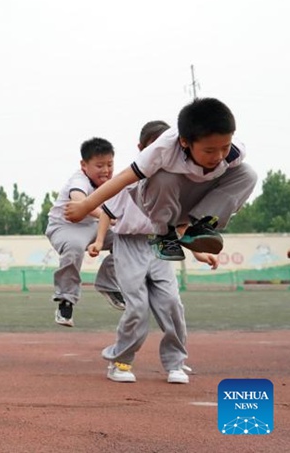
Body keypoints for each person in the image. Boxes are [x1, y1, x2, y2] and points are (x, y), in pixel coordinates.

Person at [88, 121, 218, 384]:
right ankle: (121, 362)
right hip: (129, 245)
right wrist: (99, 240)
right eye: (154, 148)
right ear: (141, 149)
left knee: (171, 303)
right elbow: (107, 212)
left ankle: (175, 363)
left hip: (161, 244)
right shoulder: (129, 180)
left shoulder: (176, 184)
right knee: (137, 307)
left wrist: (198, 253)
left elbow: (180, 226)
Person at [65, 98, 257, 261]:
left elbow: (235, 184)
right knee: (164, 177)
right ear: (184, 141)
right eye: (209, 150)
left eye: (224, 147)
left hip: (193, 201)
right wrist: (86, 206)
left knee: (247, 173)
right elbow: (123, 178)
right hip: (157, 201)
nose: (218, 156)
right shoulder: (163, 149)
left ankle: (202, 224)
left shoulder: (233, 153)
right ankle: (164, 235)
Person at [45, 138, 124, 327]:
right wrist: (111, 217)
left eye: (109, 165)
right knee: (74, 247)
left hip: (94, 225)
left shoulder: (112, 182)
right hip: (65, 226)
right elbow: (80, 202)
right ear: (84, 165)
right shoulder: (79, 180)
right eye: (99, 165)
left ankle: (108, 283)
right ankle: (66, 300)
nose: (105, 170)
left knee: (128, 240)